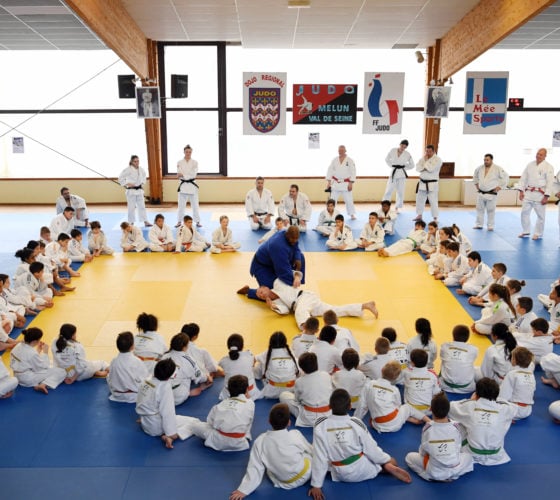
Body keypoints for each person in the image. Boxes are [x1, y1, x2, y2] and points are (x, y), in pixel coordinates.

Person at [309, 389, 411, 500]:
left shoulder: (320, 425)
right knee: (392, 461)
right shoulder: (355, 423)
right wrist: (384, 460)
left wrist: (316, 485)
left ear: (329, 406)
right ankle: (383, 467)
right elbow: (371, 449)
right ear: (349, 407)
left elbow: (319, 457)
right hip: (360, 468)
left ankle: (381, 466)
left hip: (339, 471)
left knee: (317, 452)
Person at [229, 403, 313, 499]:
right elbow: (311, 451)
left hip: (282, 482)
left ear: (269, 421)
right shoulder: (295, 435)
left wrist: (244, 490)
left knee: (267, 465)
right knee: (310, 450)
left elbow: (255, 467)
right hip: (304, 476)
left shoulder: (260, 441)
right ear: (289, 422)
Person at [256, 279, 378, 329]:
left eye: (261, 291)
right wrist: (273, 306)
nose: (261, 295)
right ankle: (365, 305)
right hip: (307, 306)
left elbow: (291, 273)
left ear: (266, 287)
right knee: (334, 311)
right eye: (259, 296)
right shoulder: (276, 302)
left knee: (299, 312)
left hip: (305, 297)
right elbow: (286, 311)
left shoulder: (277, 283)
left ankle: (307, 329)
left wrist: (297, 277)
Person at [448, 377, 518, 465]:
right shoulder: (504, 408)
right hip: (496, 455)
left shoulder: (470, 406)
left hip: (472, 454)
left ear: (476, 393)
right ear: (497, 394)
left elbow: (450, 407)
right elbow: (515, 408)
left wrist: (471, 400)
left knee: (459, 421)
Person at [405, 392, 473, 482]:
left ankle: (426, 475)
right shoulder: (456, 426)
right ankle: (450, 475)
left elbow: (423, 452)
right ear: (448, 410)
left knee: (409, 458)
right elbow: (458, 447)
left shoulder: (427, 428)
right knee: (469, 457)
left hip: (434, 471)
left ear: (431, 410)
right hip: (454, 469)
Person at [135, 358, 194, 449]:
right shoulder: (164, 387)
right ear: (169, 376)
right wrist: (171, 433)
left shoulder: (147, 380)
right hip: (156, 428)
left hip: (145, 422)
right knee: (194, 422)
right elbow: (167, 413)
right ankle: (171, 437)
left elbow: (141, 400)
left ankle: (148, 421)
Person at [354, 360, 428, 432]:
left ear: (382, 370)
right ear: (396, 377)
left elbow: (362, 405)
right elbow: (398, 406)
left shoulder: (369, 384)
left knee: (373, 419)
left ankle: (407, 418)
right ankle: (429, 421)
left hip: (377, 425)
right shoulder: (394, 390)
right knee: (407, 407)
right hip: (395, 424)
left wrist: (355, 421)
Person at [188, 374, 256, 451]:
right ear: (247, 389)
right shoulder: (251, 403)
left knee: (195, 426)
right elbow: (249, 421)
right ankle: (246, 436)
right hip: (240, 443)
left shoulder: (220, 405)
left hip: (218, 441)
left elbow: (210, 422)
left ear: (228, 390)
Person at [245, 225, 305, 296]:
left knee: (300, 257)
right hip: (262, 267)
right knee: (274, 294)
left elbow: (296, 248)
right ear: (287, 235)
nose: (294, 242)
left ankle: (294, 285)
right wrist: (293, 283)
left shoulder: (292, 236)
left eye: (296, 240)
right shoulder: (278, 245)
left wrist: (297, 260)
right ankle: (249, 291)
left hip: (274, 262)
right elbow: (282, 270)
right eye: (292, 240)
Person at [278, 352, 332, 427]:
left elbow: (297, 401)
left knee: (283, 395)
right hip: (328, 415)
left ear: (302, 368)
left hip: (308, 418)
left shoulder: (300, 381)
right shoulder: (326, 375)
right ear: (316, 363)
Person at [10, 327, 66, 394]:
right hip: (28, 379)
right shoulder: (32, 353)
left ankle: (41, 382)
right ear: (35, 341)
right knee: (61, 371)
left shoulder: (18, 345)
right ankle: (44, 384)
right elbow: (41, 368)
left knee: (50, 364)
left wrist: (38, 351)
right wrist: (45, 352)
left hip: (17, 376)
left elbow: (27, 359)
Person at [161, 332, 212, 406]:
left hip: (160, 395)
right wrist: (208, 378)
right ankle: (188, 393)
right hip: (177, 397)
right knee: (193, 378)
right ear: (184, 347)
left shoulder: (164, 356)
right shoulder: (188, 360)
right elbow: (200, 377)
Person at [518, 147, 555, 239]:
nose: (538, 156)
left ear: (545, 156)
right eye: (538, 153)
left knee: (540, 216)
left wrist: (546, 196)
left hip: (540, 194)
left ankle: (538, 233)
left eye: (541, 154)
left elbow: (550, 182)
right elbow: (523, 178)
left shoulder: (548, 167)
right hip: (529, 192)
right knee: (524, 213)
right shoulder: (530, 165)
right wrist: (521, 191)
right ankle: (526, 231)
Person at [254, 331, 299, 399]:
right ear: (285, 342)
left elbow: (254, 359)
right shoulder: (290, 352)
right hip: (291, 390)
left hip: (271, 392)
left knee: (261, 363)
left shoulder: (268, 352)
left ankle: (256, 376)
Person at [107, 331, 149, 403]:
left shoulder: (114, 361)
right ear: (132, 346)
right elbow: (145, 379)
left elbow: (110, 379)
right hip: (134, 396)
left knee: (109, 376)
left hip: (117, 395)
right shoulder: (137, 361)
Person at [218, 333, 261, 401]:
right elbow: (253, 364)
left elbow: (220, 366)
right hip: (249, 393)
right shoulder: (249, 356)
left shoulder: (224, 360)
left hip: (230, 394)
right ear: (242, 346)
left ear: (228, 347)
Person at [472, 154, 509, 230]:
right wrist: (476, 184)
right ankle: (479, 224)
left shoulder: (497, 168)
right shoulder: (479, 168)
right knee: (479, 209)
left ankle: (490, 226)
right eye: (484, 160)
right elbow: (475, 176)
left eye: (487, 160)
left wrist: (500, 187)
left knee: (491, 210)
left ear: (491, 160)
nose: (485, 161)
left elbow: (506, 177)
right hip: (481, 192)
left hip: (491, 193)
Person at [498, 346, 535, 419]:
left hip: (514, 410)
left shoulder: (512, 374)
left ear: (514, 360)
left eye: (512, 357)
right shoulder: (531, 375)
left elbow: (503, 397)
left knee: (491, 399)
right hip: (527, 410)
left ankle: (508, 417)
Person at [439, 324, 478, 394]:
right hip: (466, 388)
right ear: (467, 338)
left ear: (453, 336)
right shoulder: (473, 349)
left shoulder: (444, 347)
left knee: (444, 362)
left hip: (445, 386)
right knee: (475, 368)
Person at [118, 155, 152, 227]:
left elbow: (144, 177)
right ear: (131, 162)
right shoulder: (128, 169)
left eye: (138, 161)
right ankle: (131, 222)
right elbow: (120, 178)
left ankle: (145, 221)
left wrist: (142, 182)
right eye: (135, 161)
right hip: (131, 191)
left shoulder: (141, 169)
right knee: (131, 207)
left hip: (139, 190)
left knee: (142, 206)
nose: (137, 163)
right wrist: (127, 183)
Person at [403, 349, 440, 414]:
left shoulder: (406, 372)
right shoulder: (432, 374)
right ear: (427, 362)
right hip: (428, 411)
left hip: (410, 410)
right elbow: (436, 393)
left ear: (412, 363)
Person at [325, 145, 357, 219]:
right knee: (332, 200)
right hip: (335, 183)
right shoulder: (334, 160)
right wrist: (329, 182)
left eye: (342, 150)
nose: (340, 152)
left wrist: (351, 183)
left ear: (345, 151)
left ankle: (352, 214)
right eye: (339, 150)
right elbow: (330, 170)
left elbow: (353, 172)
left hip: (346, 183)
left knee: (349, 200)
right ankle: (330, 213)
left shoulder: (350, 160)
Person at [382, 139, 415, 212]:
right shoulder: (393, 150)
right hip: (393, 172)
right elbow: (387, 159)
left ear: (406, 147)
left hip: (402, 175)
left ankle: (397, 207)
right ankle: (385, 206)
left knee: (400, 191)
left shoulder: (407, 154)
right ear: (400, 144)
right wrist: (393, 165)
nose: (403, 147)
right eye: (402, 145)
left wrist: (403, 167)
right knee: (389, 190)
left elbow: (412, 165)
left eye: (404, 147)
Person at [414, 145, 443, 222]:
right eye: (427, 151)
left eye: (430, 151)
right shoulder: (422, 158)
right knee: (419, 200)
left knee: (433, 201)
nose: (428, 153)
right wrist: (424, 166)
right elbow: (417, 168)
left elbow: (430, 169)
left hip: (432, 184)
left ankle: (435, 218)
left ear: (434, 151)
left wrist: (424, 165)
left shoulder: (438, 160)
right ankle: (419, 215)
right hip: (422, 182)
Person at [176, 144, 201, 228]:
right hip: (183, 186)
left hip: (191, 186)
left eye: (189, 152)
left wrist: (183, 174)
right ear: (184, 152)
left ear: (191, 152)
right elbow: (179, 174)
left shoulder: (195, 162)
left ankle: (197, 221)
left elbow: (193, 174)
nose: (188, 153)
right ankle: (179, 221)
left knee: (195, 205)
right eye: (186, 152)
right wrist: (183, 175)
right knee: (181, 205)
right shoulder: (179, 162)